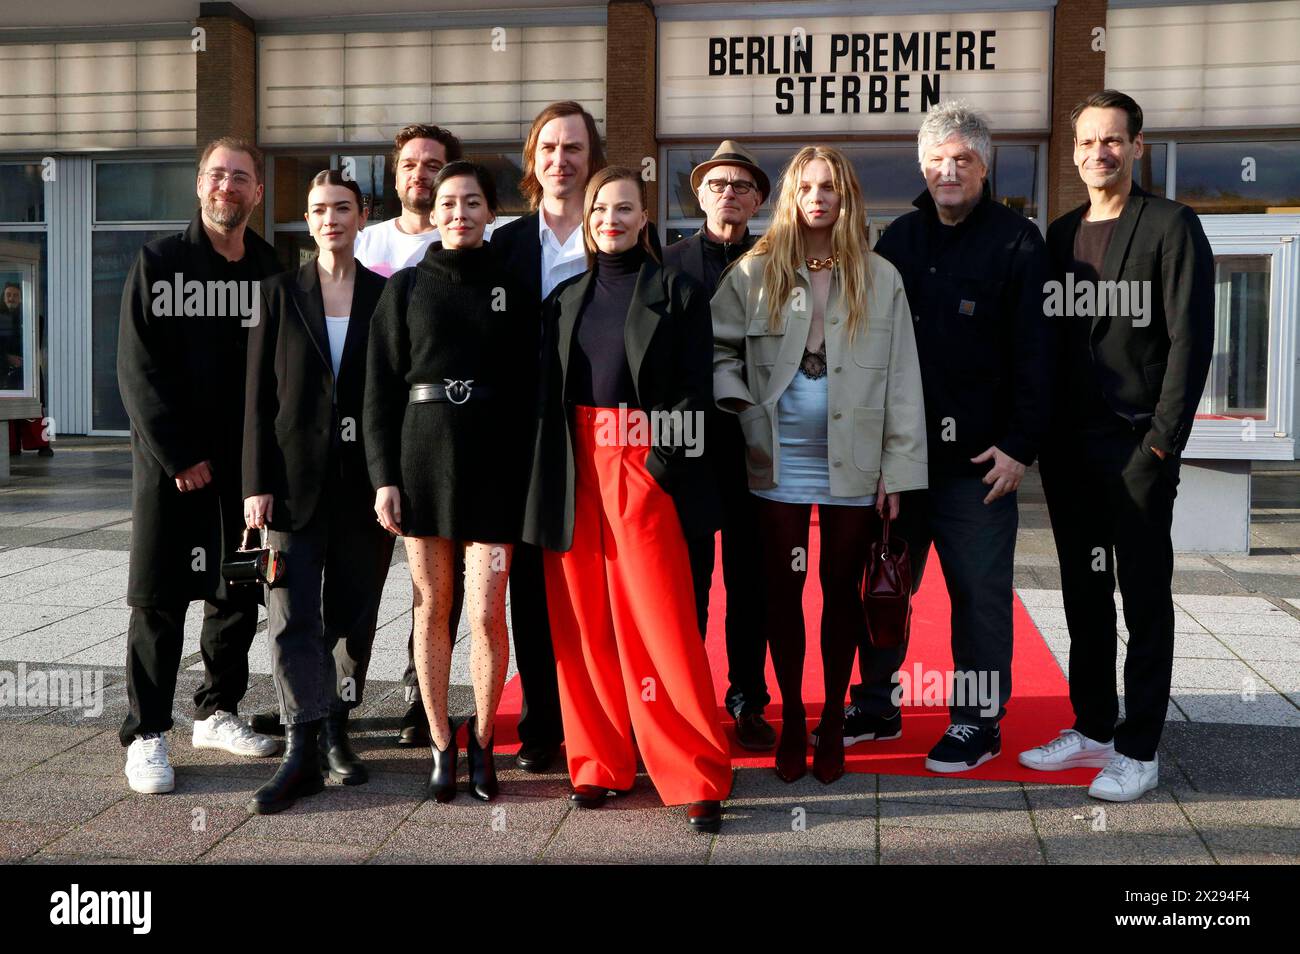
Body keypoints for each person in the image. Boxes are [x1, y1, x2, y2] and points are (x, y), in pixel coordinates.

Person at [833, 103, 1053, 774]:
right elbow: (868, 351)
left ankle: (976, 722)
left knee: (978, 598)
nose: (949, 171)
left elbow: (1039, 354)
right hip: (901, 459)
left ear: (985, 167)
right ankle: (875, 704)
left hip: (978, 465)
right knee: (885, 584)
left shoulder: (1019, 243)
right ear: (923, 166)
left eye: (964, 159)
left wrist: (1020, 444)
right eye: (938, 160)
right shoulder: (898, 241)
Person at [524, 166, 731, 832]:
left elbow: (696, 388)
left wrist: (658, 469)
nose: (610, 218)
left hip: (644, 463)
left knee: (663, 626)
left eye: (624, 208)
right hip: (574, 469)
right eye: (599, 209)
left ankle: (696, 772)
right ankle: (599, 764)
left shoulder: (676, 291)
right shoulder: (563, 298)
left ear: (645, 220)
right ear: (586, 222)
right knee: (583, 624)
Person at [713, 145, 928, 784]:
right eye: (807, 187)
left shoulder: (880, 277)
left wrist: (898, 469)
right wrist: (742, 402)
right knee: (781, 593)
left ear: (847, 197)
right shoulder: (754, 270)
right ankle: (790, 718)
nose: (819, 197)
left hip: (855, 463)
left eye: (831, 187)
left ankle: (834, 716)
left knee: (841, 595)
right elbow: (719, 345)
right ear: (791, 197)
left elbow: (903, 381)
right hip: (775, 460)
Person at [1024, 90, 1214, 802]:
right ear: (1072, 153)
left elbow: (1190, 343)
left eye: (1111, 140)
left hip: (1138, 450)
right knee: (1082, 594)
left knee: (1143, 597)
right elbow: (1049, 344)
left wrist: (1163, 446)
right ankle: (1095, 727)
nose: (1097, 153)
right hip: (1070, 454)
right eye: (1085, 143)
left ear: (1137, 146)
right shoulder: (1061, 233)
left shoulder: (1171, 225)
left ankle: (1140, 747)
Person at [365, 160, 538, 803]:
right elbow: (378, 392)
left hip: (494, 467)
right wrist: (384, 477)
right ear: (432, 214)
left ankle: (486, 740)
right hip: (421, 464)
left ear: (491, 212)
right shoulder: (405, 288)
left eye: (472, 202)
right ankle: (441, 743)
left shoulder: (515, 288)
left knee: (488, 611)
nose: (459, 213)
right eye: (448, 203)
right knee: (431, 607)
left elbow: (531, 389)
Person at [116, 137, 283, 794]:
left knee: (237, 592)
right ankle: (148, 731)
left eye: (241, 177)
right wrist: (178, 453)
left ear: (257, 193)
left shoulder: (271, 269)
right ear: (199, 185)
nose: (228, 186)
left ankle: (218, 710)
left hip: (245, 469)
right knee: (158, 600)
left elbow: (281, 374)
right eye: (218, 174)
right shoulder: (161, 262)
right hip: (172, 468)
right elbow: (136, 368)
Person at [241, 170, 393, 814]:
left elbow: (392, 392)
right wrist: (255, 485)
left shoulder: (389, 293)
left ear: (362, 216)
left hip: (363, 487)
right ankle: (302, 742)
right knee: (291, 617)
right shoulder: (278, 293)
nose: (330, 218)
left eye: (342, 208)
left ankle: (338, 730)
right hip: (292, 488)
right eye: (318, 209)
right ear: (307, 221)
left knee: (353, 618)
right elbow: (254, 400)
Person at [488, 100, 605, 773]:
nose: (562, 160)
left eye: (575, 149)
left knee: (593, 585)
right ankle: (541, 723)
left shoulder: (614, 232)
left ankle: (598, 715)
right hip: (525, 442)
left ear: (592, 160)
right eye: (550, 148)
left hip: (599, 437)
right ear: (533, 160)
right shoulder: (503, 244)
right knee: (530, 588)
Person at [353, 123, 464, 748]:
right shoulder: (366, 240)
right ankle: (340, 703)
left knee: (436, 585)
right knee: (364, 577)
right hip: (372, 426)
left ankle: (424, 699)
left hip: (436, 438)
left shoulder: (467, 242)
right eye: (411, 165)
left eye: (434, 166)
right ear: (395, 176)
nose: (421, 175)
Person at [663, 140, 775, 752]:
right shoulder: (670, 262)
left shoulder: (775, 261)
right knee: (691, 582)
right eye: (716, 183)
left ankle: (748, 699)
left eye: (740, 185)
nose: (727, 192)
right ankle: (688, 698)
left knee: (751, 582)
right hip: (689, 449)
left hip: (756, 444)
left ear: (758, 198)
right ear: (698, 193)